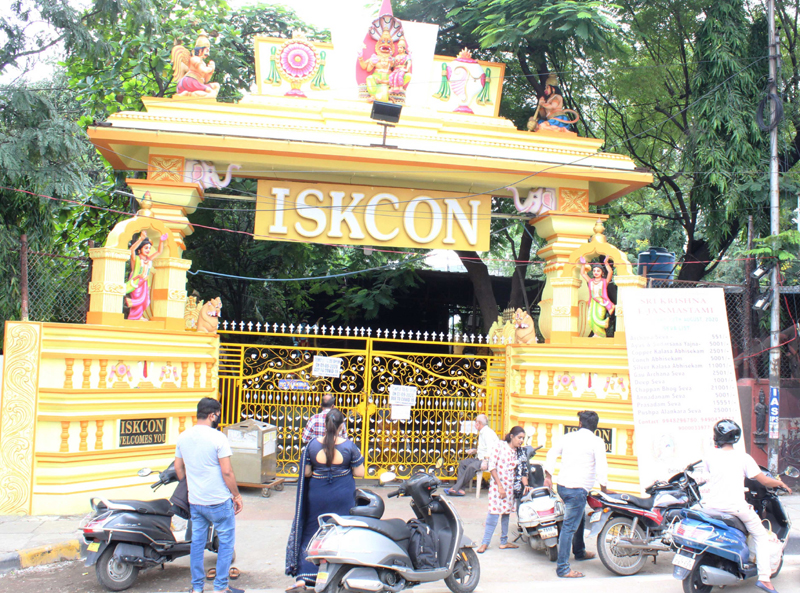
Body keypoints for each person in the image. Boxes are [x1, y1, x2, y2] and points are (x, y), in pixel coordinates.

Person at [701, 419, 791, 593]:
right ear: (736, 437)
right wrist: (780, 483)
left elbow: (706, 476)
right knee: (761, 536)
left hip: (712, 507)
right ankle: (764, 578)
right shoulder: (744, 458)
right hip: (735, 508)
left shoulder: (709, 456)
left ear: (716, 437)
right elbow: (764, 480)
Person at [286, 409, 365, 592]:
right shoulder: (349, 446)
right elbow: (359, 472)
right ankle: (339, 573)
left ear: (325, 424)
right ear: (342, 426)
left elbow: (306, 472)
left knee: (313, 531)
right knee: (342, 531)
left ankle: (304, 577)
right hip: (342, 495)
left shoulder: (312, 446)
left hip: (318, 494)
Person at [175, 397, 243, 593]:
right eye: (218, 415)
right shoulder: (218, 438)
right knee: (226, 542)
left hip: (196, 501)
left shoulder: (183, 437)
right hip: (218, 500)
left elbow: (179, 469)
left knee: (197, 543)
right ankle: (220, 587)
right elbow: (227, 472)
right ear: (212, 415)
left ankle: (197, 587)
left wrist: (192, 484)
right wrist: (236, 495)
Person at [544, 410, 609, 579]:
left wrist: (548, 476)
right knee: (569, 527)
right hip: (577, 489)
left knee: (578, 518)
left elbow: (551, 453)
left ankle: (579, 551)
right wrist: (604, 489)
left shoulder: (568, 437)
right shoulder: (597, 442)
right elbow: (602, 467)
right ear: (595, 427)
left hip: (563, 486)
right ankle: (563, 568)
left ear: (580, 424)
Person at [476, 426, 527, 553]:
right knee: (493, 513)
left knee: (506, 513)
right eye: (519, 437)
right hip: (497, 486)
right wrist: (499, 486)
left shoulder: (520, 452)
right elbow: (492, 466)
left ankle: (504, 542)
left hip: (510, 487)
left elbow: (523, 471)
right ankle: (485, 542)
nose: (521, 441)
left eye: (523, 438)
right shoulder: (499, 446)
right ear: (512, 436)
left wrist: (525, 485)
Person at [446, 414, 499, 496]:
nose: (475, 424)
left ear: (479, 423)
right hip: (480, 458)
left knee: (471, 467)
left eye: (475, 422)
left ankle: (456, 488)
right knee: (463, 463)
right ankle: (461, 489)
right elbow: (484, 448)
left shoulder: (487, 433)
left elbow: (491, 449)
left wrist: (485, 461)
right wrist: (475, 451)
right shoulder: (482, 432)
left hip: (488, 461)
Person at [125, 230, 167, 320]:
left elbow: (159, 252)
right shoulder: (136, 259)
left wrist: (161, 241)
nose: (148, 250)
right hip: (136, 282)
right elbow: (132, 249)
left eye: (149, 248)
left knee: (146, 301)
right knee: (138, 300)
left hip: (144, 282)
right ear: (139, 250)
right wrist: (141, 239)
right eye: (146, 248)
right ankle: (134, 317)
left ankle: (139, 316)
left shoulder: (148, 259)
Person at [579, 256, 615, 338]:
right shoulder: (590, 281)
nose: (596, 272)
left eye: (598, 271)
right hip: (593, 302)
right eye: (594, 270)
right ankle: (596, 334)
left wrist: (606, 263)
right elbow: (583, 273)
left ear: (602, 273)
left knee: (599, 317)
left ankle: (601, 335)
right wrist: (583, 264)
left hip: (601, 302)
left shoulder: (604, 281)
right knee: (590, 319)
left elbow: (610, 272)